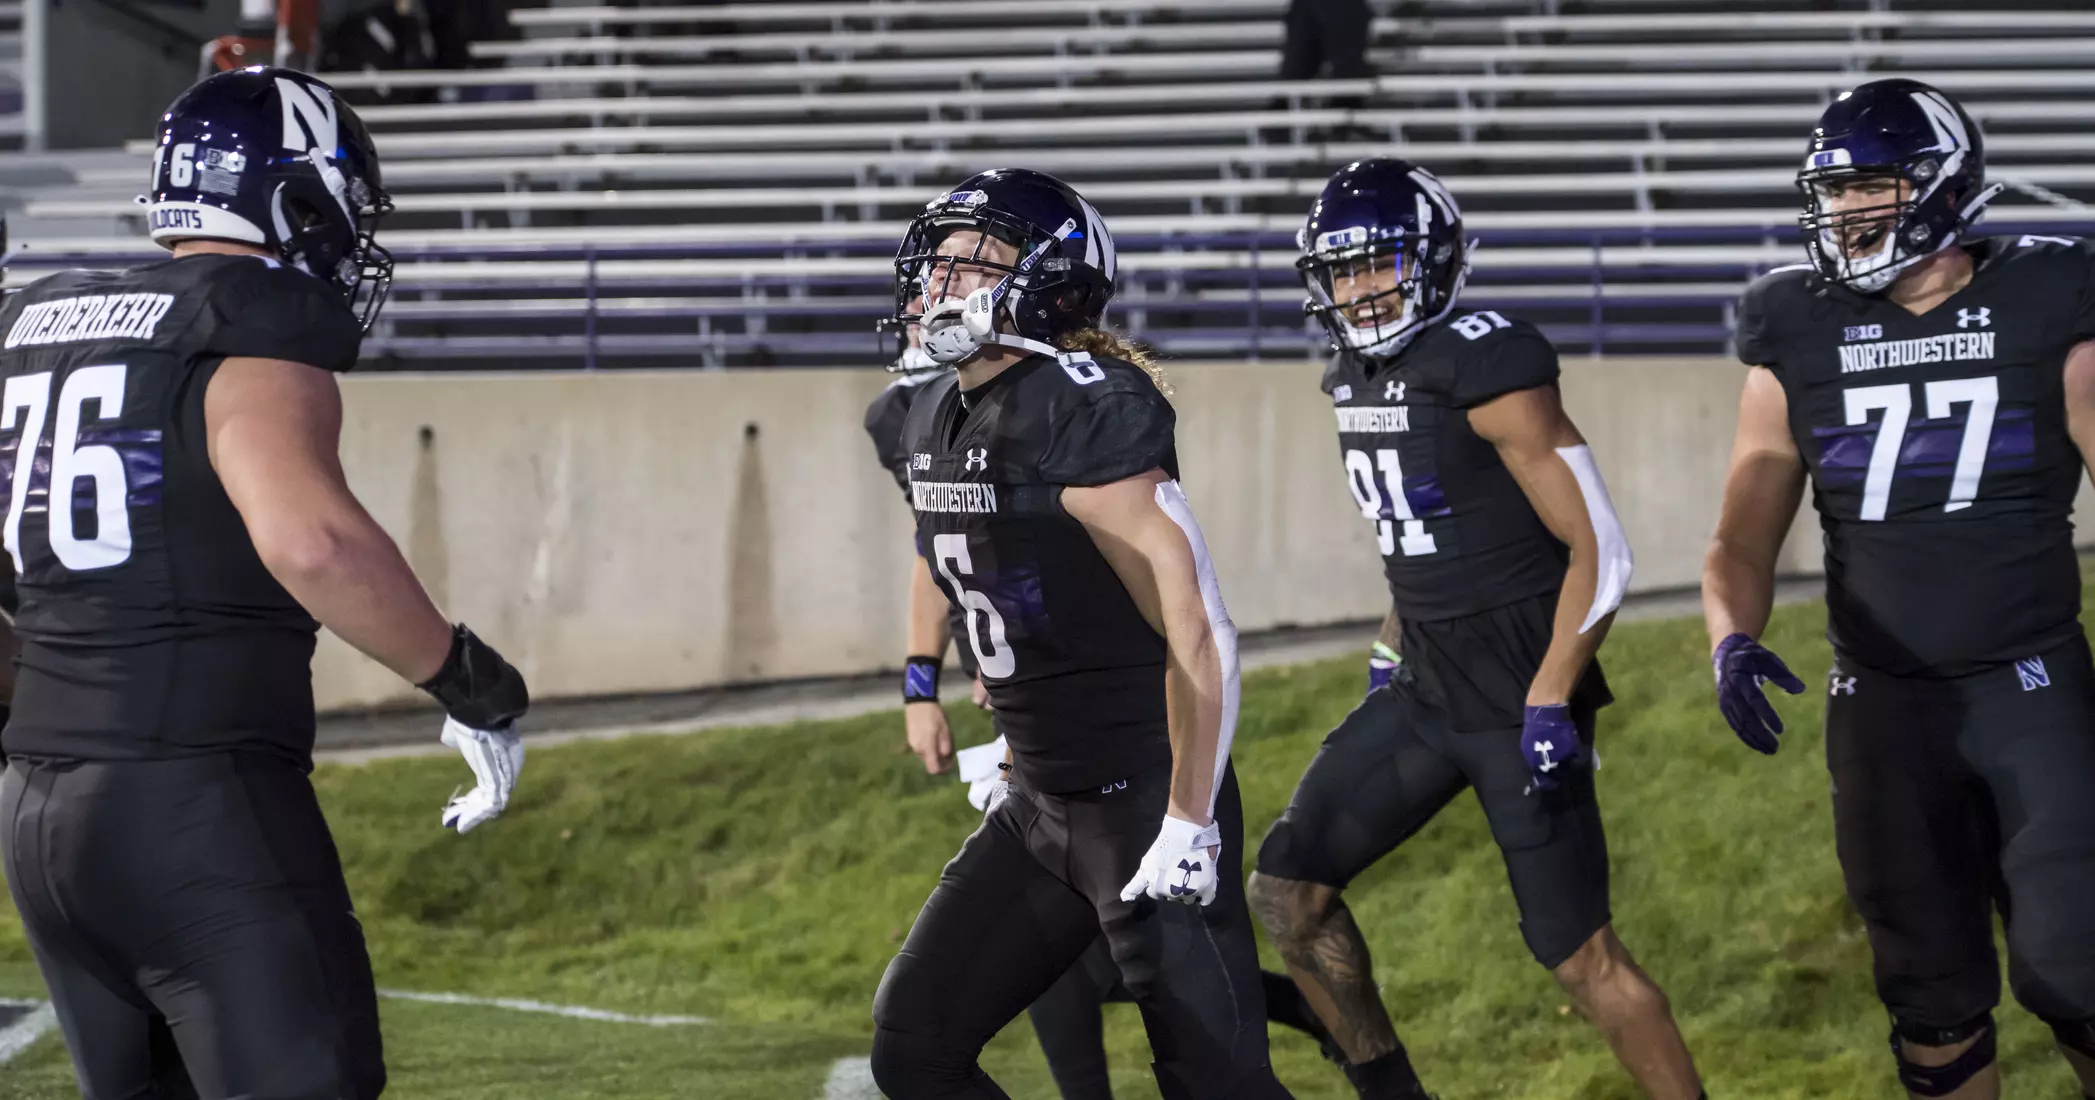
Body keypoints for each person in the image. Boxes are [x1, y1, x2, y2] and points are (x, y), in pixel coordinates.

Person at [0, 67, 529, 1098]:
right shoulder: (250, 325)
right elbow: (311, 542)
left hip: (38, 812)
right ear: (294, 198)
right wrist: (467, 679)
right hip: (194, 805)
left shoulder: (39, 328)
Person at [1247, 158, 1708, 1100]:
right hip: (1425, 686)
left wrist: (1551, 697)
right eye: (1341, 271)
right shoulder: (1351, 373)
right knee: (1286, 893)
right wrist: (1390, 643)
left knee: (1579, 957)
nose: (1358, 290)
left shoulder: (1484, 361)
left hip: (1517, 690)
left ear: (1433, 261)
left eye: (1378, 265)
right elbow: (1424, 536)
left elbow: (1600, 549)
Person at [1704, 78, 2095, 1100]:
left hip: (2029, 688)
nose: (1845, 211)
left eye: (1869, 185)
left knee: (2076, 972)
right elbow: (1741, 535)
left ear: (1942, 185)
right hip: (1880, 706)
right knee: (1929, 1000)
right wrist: (1727, 635)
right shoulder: (1793, 323)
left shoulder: (2048, 296)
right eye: (1833, 192)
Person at [867, 167, 1293, 1100]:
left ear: (1049, 284)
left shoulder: (1080, 404)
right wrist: (992, 713)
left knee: (1219, 1086)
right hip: (1039, 802)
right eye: (938, 261)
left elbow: (1197, 627)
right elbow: (997, 576)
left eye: (974, 261)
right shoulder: (931, 410)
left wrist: (1189, 820)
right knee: (913, 1047)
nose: (940, 280)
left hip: (1141, 801)